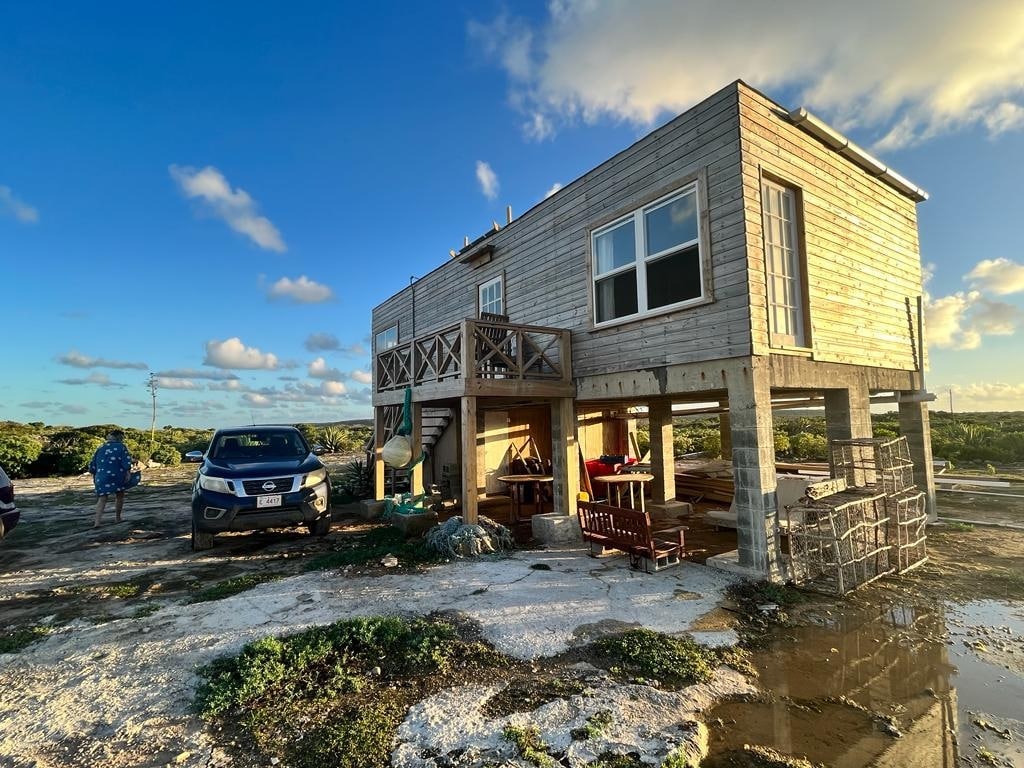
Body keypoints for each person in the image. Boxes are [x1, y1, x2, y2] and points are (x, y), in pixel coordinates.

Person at [88, 430, 140, 527]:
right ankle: (117, 517)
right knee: (119, 495)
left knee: (102, 498)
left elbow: (92, 464)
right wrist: (128, 472)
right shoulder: (121, 447)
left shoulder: (101, 448)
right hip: (117, 475)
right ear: (120, 437)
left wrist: (94, 475)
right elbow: (126, 461)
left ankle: (97, 522)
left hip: (101, 476)